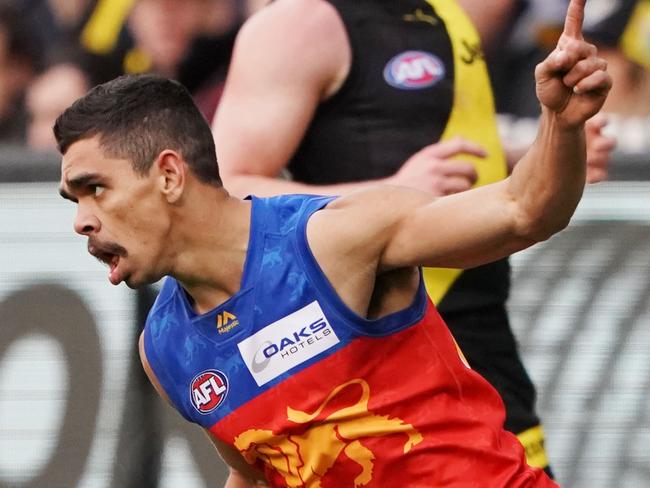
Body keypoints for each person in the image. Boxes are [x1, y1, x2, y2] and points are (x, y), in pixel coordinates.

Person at [55, 0, 610, 484]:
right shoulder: (166, 349)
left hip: (482, 347)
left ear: (170, 176)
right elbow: (256, 472)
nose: (82, 220)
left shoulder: (335, 239)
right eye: (73, 199)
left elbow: (523, 211)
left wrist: (560, 126)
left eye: (95, 190)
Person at [211, 0, 614, 474]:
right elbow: (229, 191)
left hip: (480, 345)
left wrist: (547, 148)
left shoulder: (446, 11)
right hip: (384, 369)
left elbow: (444, 150)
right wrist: (385, 193)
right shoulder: (298, 23)